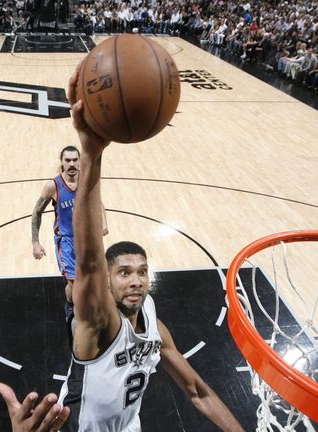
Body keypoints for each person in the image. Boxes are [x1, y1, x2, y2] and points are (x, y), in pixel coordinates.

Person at [57, 60, 245, 432]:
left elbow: (197, 392)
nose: (136, 281)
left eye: (142, 272)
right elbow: (91, 259)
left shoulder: (153, 326)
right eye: (124, 273)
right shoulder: (98, 321)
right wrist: (92, 153)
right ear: (107, 283)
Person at [31, 146, 108, 319]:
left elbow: (99, 201)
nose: (72, 163)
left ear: (80, 161)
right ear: (62, 162)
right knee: (75, 283)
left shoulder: (87, 180)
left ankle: (73, 302)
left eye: (75, 160)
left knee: (94, 278)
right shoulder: (53, 186)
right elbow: (36, 212)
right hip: (66, 242)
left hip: (88, 240)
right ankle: (78, 314)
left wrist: (104, 222)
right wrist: (35, 242)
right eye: (68, 160)